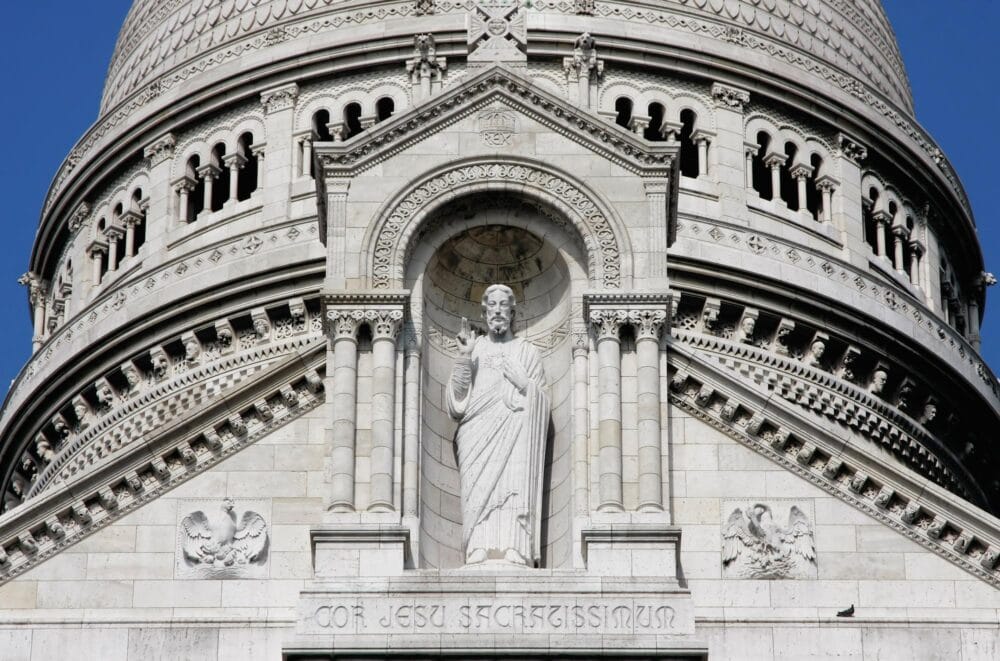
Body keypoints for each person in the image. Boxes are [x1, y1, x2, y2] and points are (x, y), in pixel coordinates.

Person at [447, 284, 549, 566]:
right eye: (492, 305)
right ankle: (477, 544)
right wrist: (463, 357)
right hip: (476, 432)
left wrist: (525, 384)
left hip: (516, 430)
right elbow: (457, 401)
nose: (498, 311)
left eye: (504, 305)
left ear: (513, 313)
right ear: (484, 313)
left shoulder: (527, 352)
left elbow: (542, 404)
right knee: (478, 488)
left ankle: (516, 546)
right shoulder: (474, 349)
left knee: (514, 485)